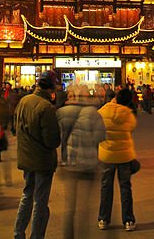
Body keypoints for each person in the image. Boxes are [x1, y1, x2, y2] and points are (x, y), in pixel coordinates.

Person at [13, 71, 61, 239]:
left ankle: (18, 233)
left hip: (26, 157)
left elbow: (15, 127)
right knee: (40, 201)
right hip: (42, 159)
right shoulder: (46, 107)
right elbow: (52, 140)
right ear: (51, 87)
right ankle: (37, 235)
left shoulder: (23, 101)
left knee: (27, 195)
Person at [58, 90, 105, 237]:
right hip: (88, 164)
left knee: (69, 206)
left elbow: (56, 136)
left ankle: (68, 236)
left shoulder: (62, 112)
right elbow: (100, 137)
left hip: (69, 163)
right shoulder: (94, 114)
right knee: (84, 208)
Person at [97, 88, 138, 231]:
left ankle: (103, 218)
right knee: (125, 187)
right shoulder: (128, 114)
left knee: (106, 187)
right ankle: (128, 220)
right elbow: (132, 127)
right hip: (124, 155)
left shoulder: (103, 111)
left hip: (106, 154)